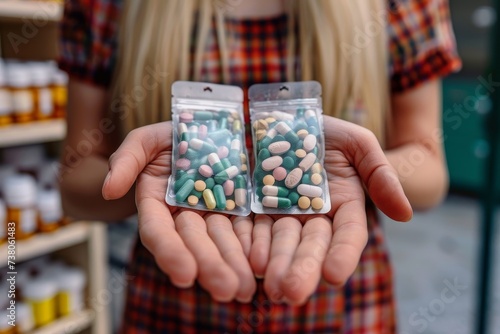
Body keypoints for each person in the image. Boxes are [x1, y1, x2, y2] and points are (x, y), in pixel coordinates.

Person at [58, 0, 461, 332]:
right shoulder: (107, 6)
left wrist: (362, 169)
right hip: (174, 304)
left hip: (346, 305)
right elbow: (74, 183)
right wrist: (165, 177)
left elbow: (429, 171)